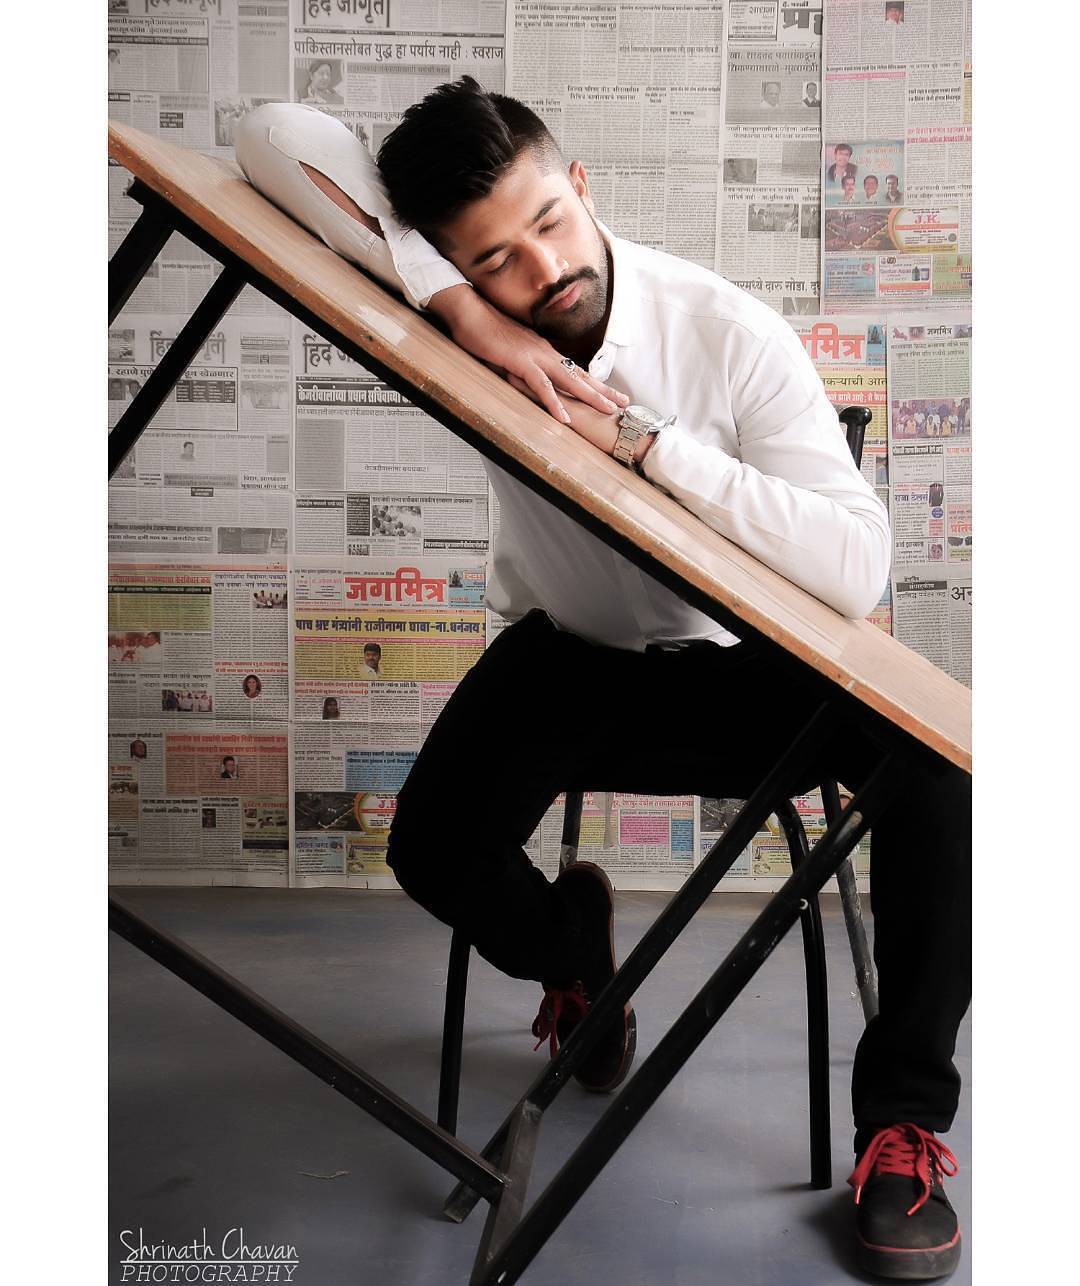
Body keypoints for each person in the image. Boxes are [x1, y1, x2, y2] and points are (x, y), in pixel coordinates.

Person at [235, 82, 970, 1280]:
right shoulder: (467, 314)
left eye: (549, 224)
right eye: (496, 260)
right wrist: (468, 319)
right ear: (455, 263)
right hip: (574, 658)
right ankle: (580, 953)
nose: (542, 270)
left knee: (939, 766)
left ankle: (904, 1125)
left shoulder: (724, 330)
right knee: (430, 846)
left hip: (754, 669)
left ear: (581, 187)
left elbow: (856, 561)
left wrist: (640, 440)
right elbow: (271, 135)